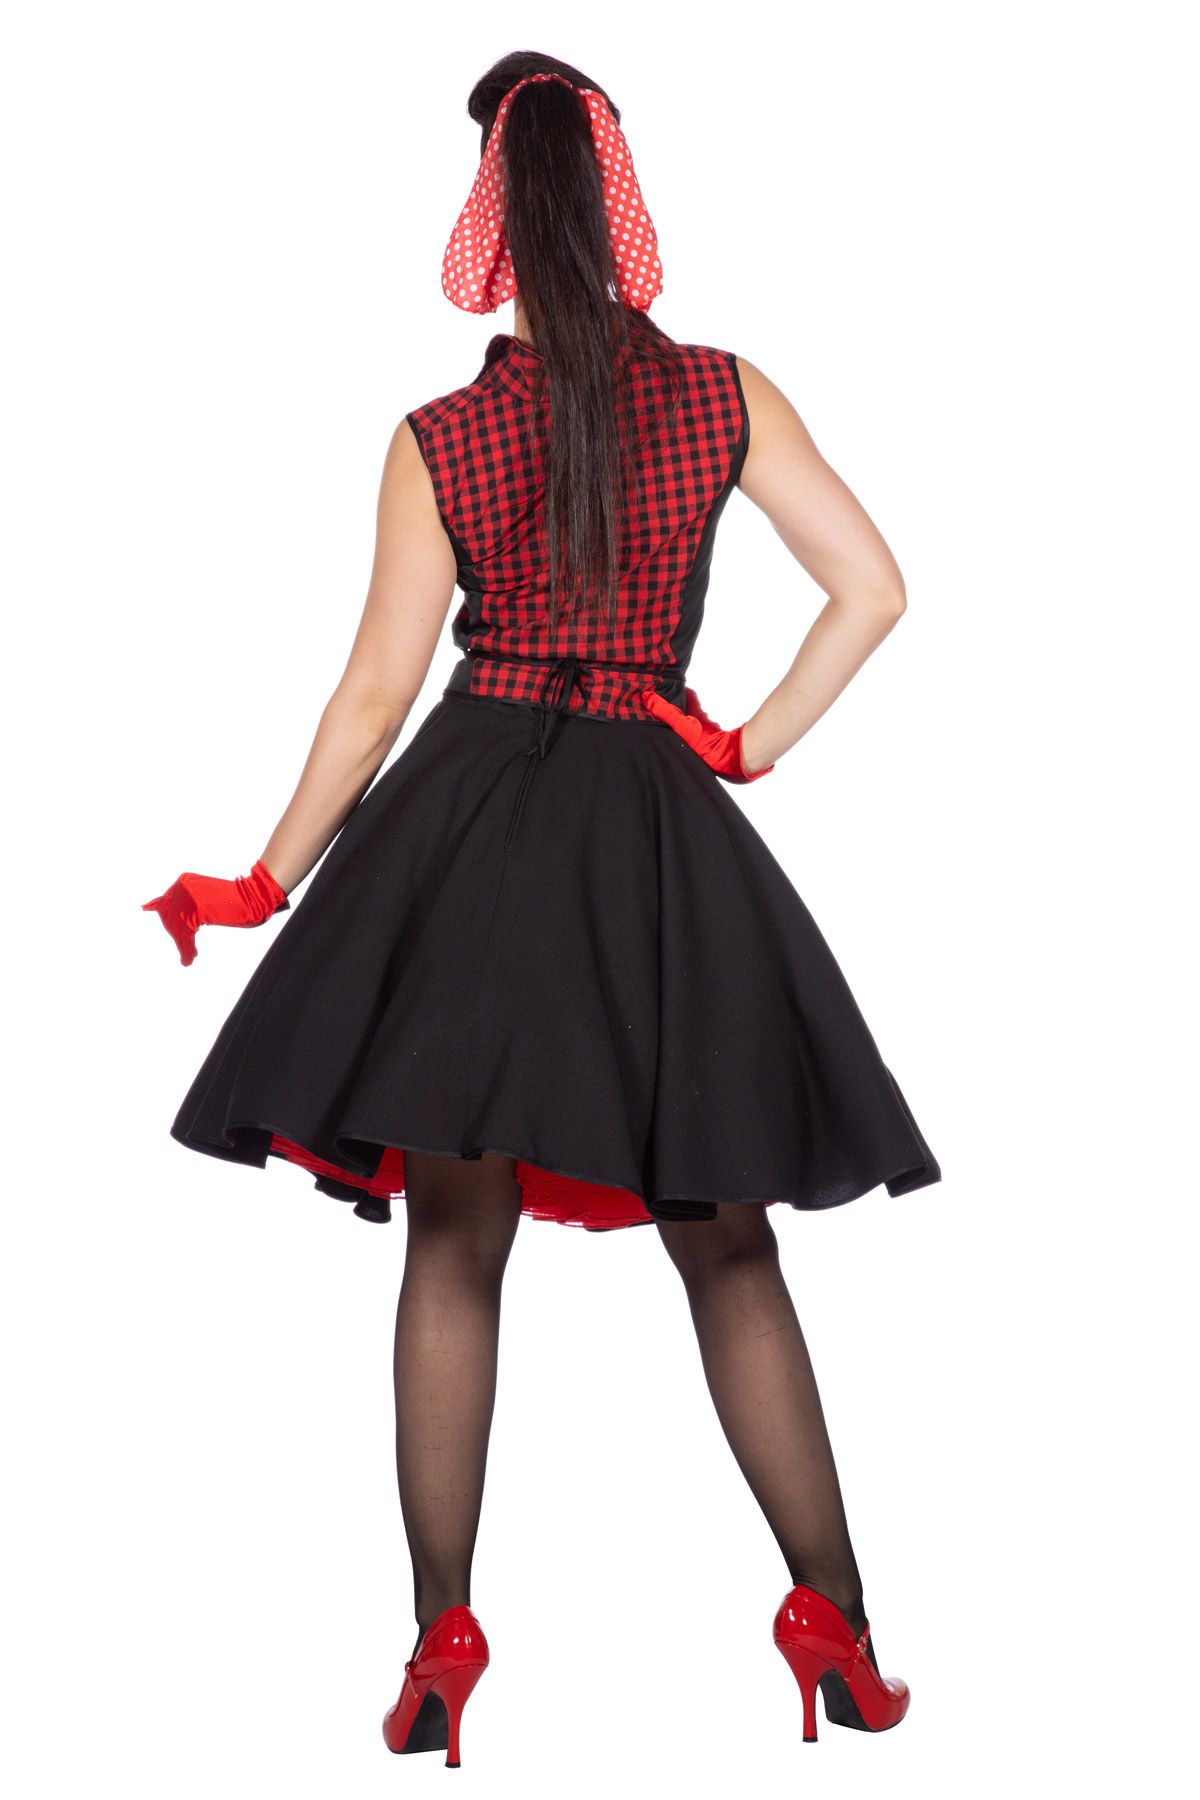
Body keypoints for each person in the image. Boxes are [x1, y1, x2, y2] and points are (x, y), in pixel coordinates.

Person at [142, 50, 940, 1767]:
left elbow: (374, 695)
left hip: (470, 831)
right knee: (728, 1243)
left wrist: (262, 878)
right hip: (651, 830)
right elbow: (873, 590)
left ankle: (442, 1636)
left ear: (495, 220)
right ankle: (839, 1627)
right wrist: (744, 743)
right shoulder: (722, 396)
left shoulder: (441, 436)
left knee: (453, 1241)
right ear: (622, 204)